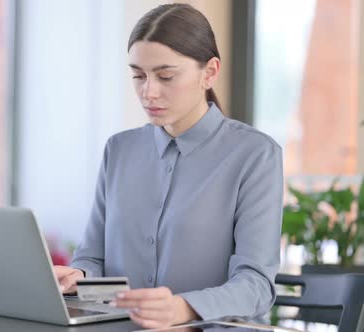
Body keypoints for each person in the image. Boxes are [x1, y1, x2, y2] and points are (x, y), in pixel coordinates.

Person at [53, 3, 283, 329]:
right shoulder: (119, 150)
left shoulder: (255, 155)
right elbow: (93, 259)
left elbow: (257, 285)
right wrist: (81, 277)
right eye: (138, 75)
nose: (148, 91)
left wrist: (184, 308)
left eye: (165, 76)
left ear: (210, 72)